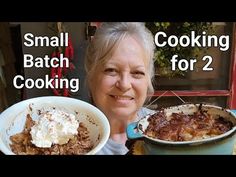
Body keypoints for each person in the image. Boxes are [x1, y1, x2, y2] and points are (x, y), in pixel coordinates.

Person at [84, 22, 156, 155]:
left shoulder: (167, 131)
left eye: (137, 73)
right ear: (92, 75)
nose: (124, 84)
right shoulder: (67, 141)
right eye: (111, 70)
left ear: (148, 80)